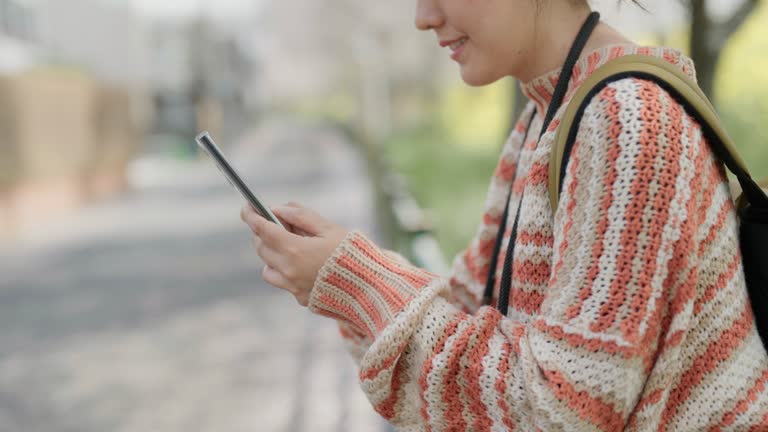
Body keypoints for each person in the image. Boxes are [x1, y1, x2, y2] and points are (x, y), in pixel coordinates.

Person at [240, 0, 768, 430]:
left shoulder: (628, 121)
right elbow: (473, 304)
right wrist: (343, 282)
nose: (423, 17)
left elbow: (566, 410)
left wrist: (361, 283)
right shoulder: (548, 115)